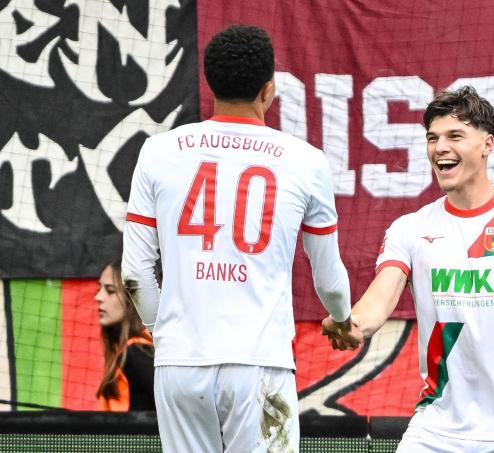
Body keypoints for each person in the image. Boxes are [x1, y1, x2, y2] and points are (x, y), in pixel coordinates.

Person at [121, 24, 361, 453]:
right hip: (260, 364)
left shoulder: (158, 151)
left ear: (209, 84)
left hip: (180, 366)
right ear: (269, 90)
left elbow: (135, 273)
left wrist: (166, 334)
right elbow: (328, 276)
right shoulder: (306, 161)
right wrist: (342, 319)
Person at [323, 86, 494, 452]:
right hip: (434, 432)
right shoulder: (411, 228)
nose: (440, 147)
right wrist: (351, 324)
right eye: (433, 138)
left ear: (487, 144)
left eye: (454, 136)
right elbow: (377, 303)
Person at [95, 259, 155, 411]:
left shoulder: (138, 354)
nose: (98, 297)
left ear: (132, 299)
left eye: (110, 291)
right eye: (99, 288)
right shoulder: (130, 351)